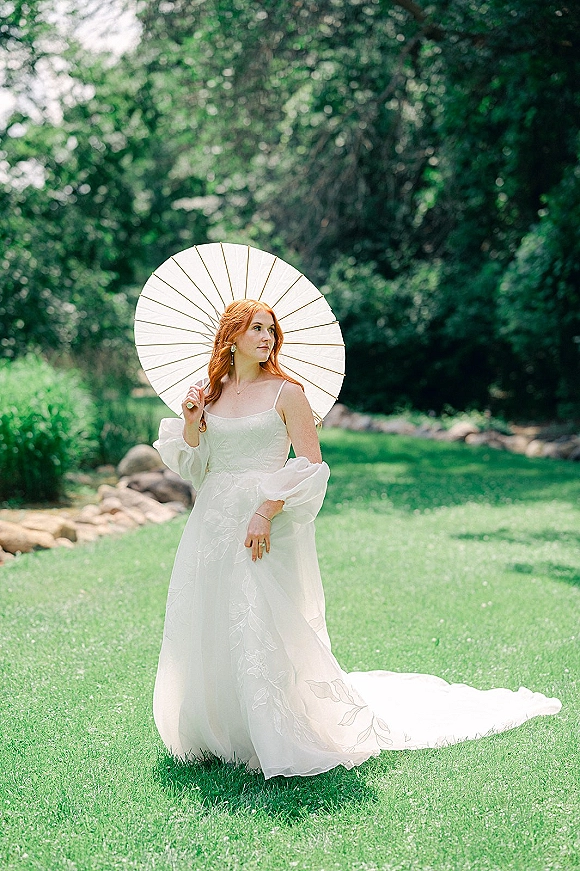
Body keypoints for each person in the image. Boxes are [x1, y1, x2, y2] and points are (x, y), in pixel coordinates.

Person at [152, 299, 561, 780]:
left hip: (265, 521)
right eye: (256, 329)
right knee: (211, 613)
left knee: (261, 618)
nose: (267, 337)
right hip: (214, 519)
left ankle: (272, 729)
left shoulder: (288, 394)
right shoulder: (210, 393)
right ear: (232, 336)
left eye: (271, 329)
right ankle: (218, 729)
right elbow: (197, 464)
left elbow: (309, 464)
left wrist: (265, 510)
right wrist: (192, 418)